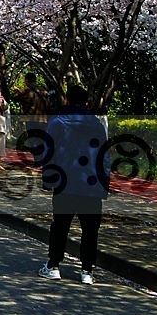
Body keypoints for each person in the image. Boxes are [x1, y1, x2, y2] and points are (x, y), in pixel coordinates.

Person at [38, 84, 108, 283]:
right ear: (86, 103)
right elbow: (104, 157)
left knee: (60, 226)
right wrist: (104, 184)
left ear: (66, 100)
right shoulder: (96, 124)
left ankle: (53, 266)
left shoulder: (57, 121)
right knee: (90, 229)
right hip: (92, 184)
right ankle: (87, 271)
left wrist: (48, 179)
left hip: (65, 183)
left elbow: (48, 153)